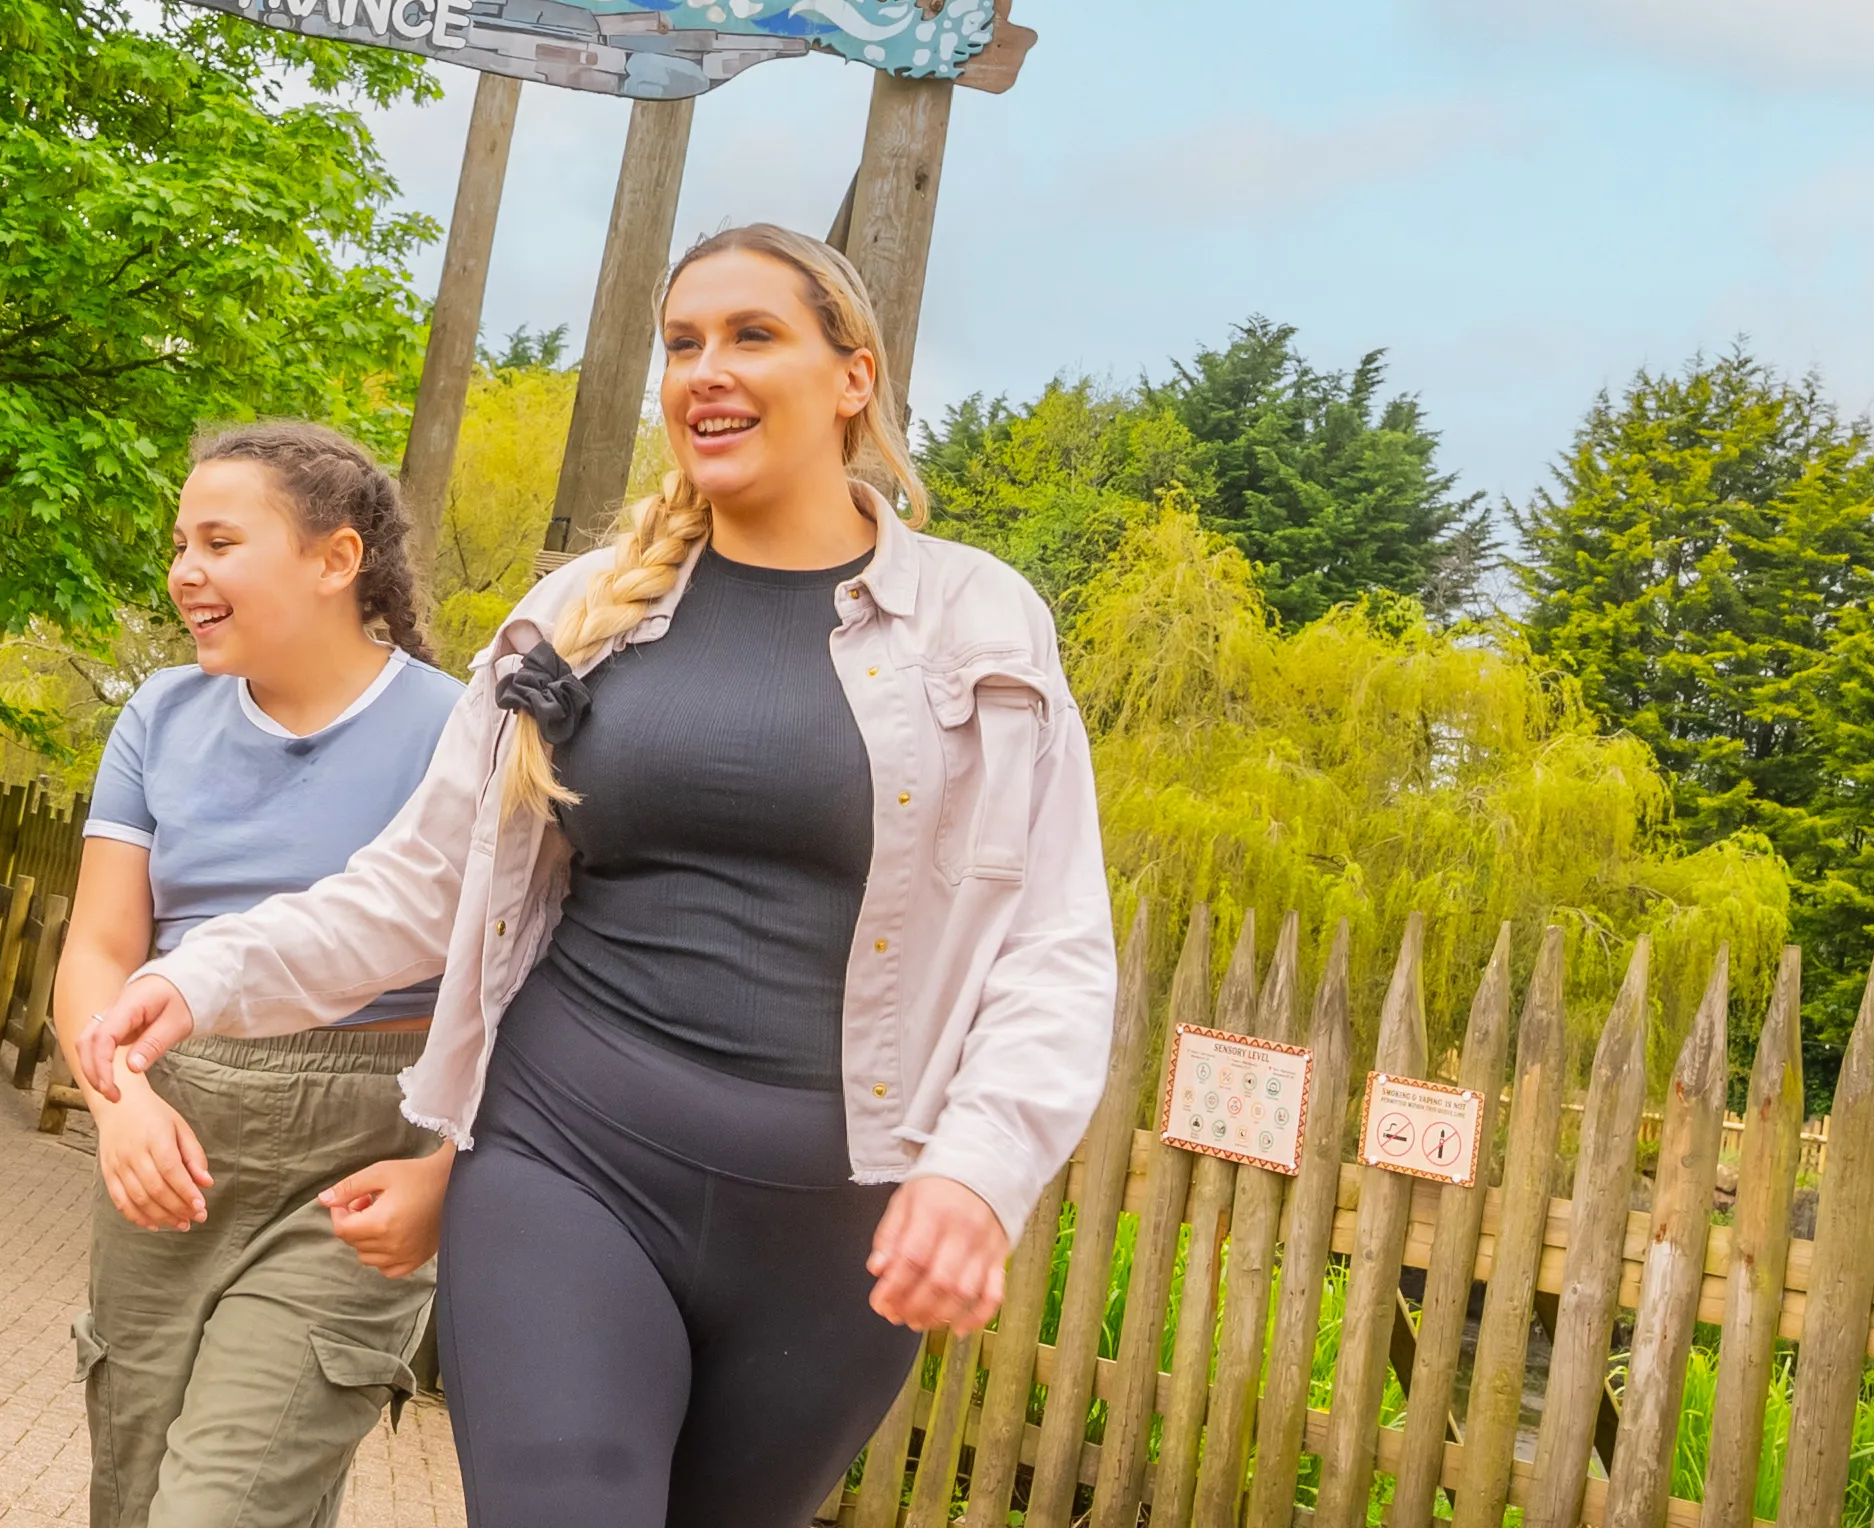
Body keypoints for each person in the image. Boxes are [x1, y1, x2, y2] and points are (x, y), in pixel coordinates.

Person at [78, 224, 1121, 1528]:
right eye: (682, 343)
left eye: (751, 336)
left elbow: (1054, 946)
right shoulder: (574, 619)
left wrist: (978, 1170)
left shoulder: (982, 626)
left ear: (855, 377)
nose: (704, 370)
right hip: (566, 1163)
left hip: (836, 1230)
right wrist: (208, 975)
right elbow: (423, 880)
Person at [55, 424, 466, 1528]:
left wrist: (448, 1169)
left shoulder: (458, 730)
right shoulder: (159, 715)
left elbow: (507, 980)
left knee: (222, 1505)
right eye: (179, 540)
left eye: (220, 540)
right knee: (134, 1497)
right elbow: (98, 946)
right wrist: (118, 1105)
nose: (185, 569)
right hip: (169, 1143)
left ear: (336, 560)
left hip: (359, 1160)